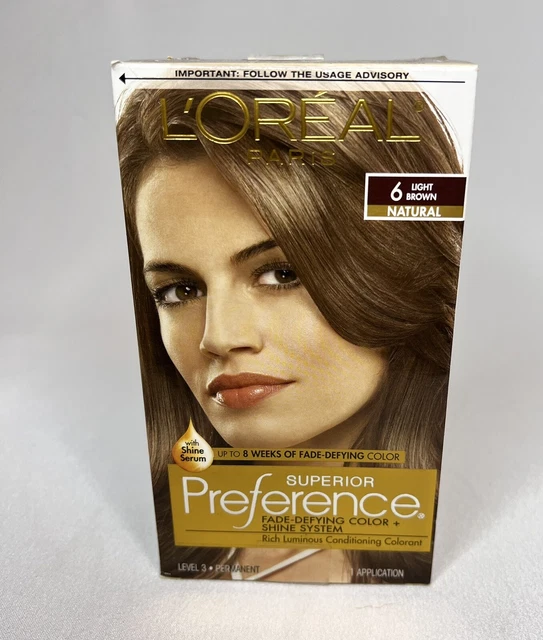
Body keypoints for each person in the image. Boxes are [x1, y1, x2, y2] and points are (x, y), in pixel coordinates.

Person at [116, 86, 463, 583]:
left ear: (396, 270)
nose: (219, 337)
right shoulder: (179, 548)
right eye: (180, 290)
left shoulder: (440, 534)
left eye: (282, 273)